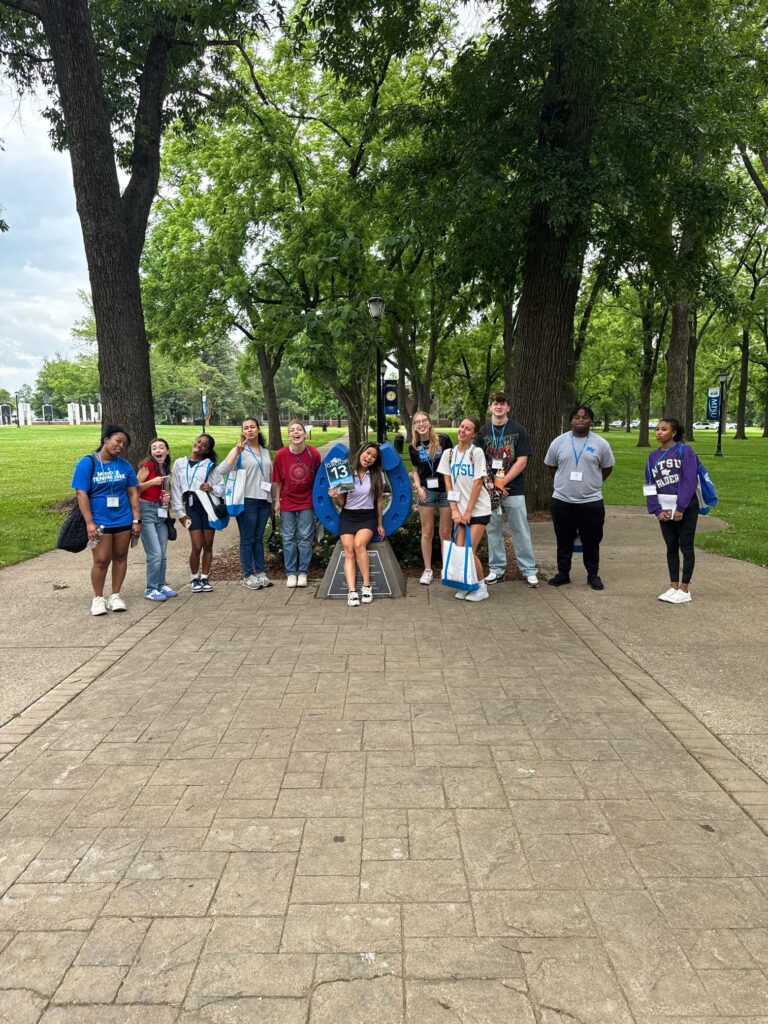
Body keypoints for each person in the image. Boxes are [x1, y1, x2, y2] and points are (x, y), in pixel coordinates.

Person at [71, 424, 140, 616]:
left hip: (123, 519)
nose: (120, 446)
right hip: (100, 520)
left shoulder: (125, 465)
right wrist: (89, 522)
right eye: (118, 441)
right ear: (106, 439)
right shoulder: (88, 463)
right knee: (101, 560)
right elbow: (81, 493)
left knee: (120, 557)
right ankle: (98, 598)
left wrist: (136, 519)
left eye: (124, 444)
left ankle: (115, 595)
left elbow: (133, 492)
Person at [544, 404, 615, 590]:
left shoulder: (601, 444)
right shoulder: (558, 442)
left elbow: (607, 468)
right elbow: (551, 467)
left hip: (591, 502)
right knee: (563, 540)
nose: (581, 420)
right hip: (562, 500)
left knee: (591, 541)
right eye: (577, 417)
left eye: (585, 417)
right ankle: (563, 573)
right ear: (571, 420)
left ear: (591, 421)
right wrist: (565, 482)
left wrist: (593, 482)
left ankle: (593, 575)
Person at [477, 392, 539, 588]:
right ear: (490, 407)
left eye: (502, 404)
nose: (498, 407)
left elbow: (522, 461)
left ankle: (529, 570)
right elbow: (478, 460)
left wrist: (501, 484)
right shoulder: (484, 431)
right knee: (493, 529)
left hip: (514, 489)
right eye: (495, 403)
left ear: (508, 408)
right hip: (489, 491)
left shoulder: (518, 430)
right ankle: (496, 569)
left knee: (520, 529)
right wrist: (492, 485)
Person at [438, 416, 492, 603]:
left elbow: (478, 483)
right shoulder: (449, 454)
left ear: (474, 434)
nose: (462, 430)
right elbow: (448, 482)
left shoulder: (476, 453)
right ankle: (467, 584)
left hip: (478, 509)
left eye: (468, 429)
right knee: (460, 549)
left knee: (469, 550)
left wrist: (468, 511)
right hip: (460, 511)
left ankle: (481, 587)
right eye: (462, 426)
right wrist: (454, 509)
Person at [645, 417, 699, 604]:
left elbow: (689, 480)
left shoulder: (685, 451)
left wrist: (682, 507)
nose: (659, 432)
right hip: (664, 508)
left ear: (674, 433)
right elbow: (649, 485)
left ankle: (685, 589)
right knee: (671, 547)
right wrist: (656, 509)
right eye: (657, 429)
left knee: (686, 547)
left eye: (664, 429)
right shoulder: (652, 457)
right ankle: (674, 585)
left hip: (685, 507)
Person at [219, 417, 274, 590]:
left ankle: (260, 572)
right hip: (247, 500)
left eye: (252, 427)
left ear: (258, 429)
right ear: (243, 432)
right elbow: (222, 470)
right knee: (247, 538)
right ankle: (248, 574)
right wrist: (236, 451)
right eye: (246, 428)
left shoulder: (265, 451)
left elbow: (270, 477)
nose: (249, 430)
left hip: (264, 500)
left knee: (258, 538)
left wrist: (273, 501)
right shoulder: (240, 450)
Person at [329, 442, 385, 607]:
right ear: (361, 452)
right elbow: (341, 503)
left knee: (359, 544)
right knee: (348, 549)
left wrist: (380, 524)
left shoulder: (376, 475)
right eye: (368, 453)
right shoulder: (346, 472)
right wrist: (335, 494)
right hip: (348, 516)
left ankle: (367, 586)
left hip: (367, 516)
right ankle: (352, 591)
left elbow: (380, 502)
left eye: (374, 457)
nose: (369, 458)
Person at [170, 433, 224, 593]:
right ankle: (194, 577)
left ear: (207, 450)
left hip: (207, 507)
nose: (200, 445)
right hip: (192, 507)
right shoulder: (180, 463)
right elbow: (176, 489)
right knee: (197, 545)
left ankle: (205, 577)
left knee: (208, 544)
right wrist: (180, 513)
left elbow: (222, 486)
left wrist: (211, 488)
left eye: (204, 445)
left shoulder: (210, 466)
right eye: (199, 441)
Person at [273, 419, 321, 588]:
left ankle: (303, 572)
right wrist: (277, 500)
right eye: (292, 430)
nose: (295, 432)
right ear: (289, 436)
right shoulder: (281, 455)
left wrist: (319, 502)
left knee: (305, 538)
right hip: (287, 500)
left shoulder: (313, 454)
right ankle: (291, 573)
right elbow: (277, 480)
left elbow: (318, 481)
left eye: (299, 429)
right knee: (288, 538)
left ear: (304, 434)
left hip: (307, 501)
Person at [408, 411, 453, 585]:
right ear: (414, 426)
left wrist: (451, 489)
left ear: (429, 422)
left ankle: (446, 568)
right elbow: (416, 470)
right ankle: (427, 570)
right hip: (427, 491)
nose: (421, 424)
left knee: (445, 533)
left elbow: (452, 464)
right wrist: (419, 488)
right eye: (417, 422)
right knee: (427, 532)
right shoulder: (413, 446)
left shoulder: (443, 439)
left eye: (424, 420)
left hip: (445, 491)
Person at [137, 437, 177, 602]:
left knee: (163, 553)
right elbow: (133, 487)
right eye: (154, 448)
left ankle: (161, 584)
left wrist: (167, 496)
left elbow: (166, 489)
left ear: (167, 451)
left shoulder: (165, 468)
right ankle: (150, 588)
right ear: (151, 452)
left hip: (161, 510)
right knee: (155, 553)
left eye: (161, 447)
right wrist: (151, 482)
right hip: (146, 510)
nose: (158, 450)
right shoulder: (147, 466)